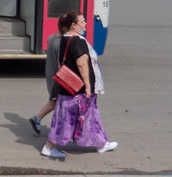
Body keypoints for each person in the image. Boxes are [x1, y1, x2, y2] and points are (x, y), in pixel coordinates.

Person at [41, 10, 117, 159]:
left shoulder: (64, 39)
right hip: (79, 89)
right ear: (74, 25)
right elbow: (82, 65)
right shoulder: (78, 41)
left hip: (68, 86)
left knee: (84, 115)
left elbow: (60, 62)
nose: (85, 23)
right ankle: (48, 147)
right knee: (72, 117)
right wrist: (88, 86)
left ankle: (101, 143)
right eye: (82, 21)